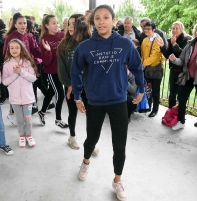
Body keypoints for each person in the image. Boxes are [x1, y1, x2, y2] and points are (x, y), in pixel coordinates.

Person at [71, 5, 145, 200]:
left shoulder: (125, 44)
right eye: (97, 18)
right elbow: (75, 72)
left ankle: (117, 180)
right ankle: (85, 162)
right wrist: (77, 96)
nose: (101, 21)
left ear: (113, 20)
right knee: (91, 139)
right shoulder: (85, 46)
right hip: (95, 101)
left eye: (105, 17)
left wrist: (141, 89)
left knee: (119, 145)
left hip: (119, 101)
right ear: (93, 22)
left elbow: (137, 67)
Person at [3, 12, 44, 125]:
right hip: (14, 68)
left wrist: (46, 53)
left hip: (27, 67)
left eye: (24, 23)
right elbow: (5, 54)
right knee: (15, 90)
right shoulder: (10, 37)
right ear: (15, 25)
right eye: (20, 23)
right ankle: (13, 113)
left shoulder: (29, 36)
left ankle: (28, 113)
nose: (23, 25)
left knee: (28, 90)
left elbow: (36, 50)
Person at [58, 14, 90, 149]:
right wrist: (69, 84)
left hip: (89, 85)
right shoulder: (64, 45)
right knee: (73, 112)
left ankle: (91, 141)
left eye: (73, 24)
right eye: (69, 24)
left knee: (92, 113)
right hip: (71, 85)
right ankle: (72, 136)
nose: (69, 27)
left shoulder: (91, 42)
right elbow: (61, 68)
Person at [3, 39, 37, 148]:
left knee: (28, 118)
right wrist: (16, 74)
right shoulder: (7, 64)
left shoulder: (27, 62)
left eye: (17, 47)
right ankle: (21, 136)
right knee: (19, 119)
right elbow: (5, 81)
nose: (14, 50)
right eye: (11, 48)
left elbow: (33, 78)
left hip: (28, 98)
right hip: (15, 99)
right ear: (8, 49)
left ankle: (29, 135)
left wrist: (21, 72)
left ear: (21, 48)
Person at [38, 15, 68, 128]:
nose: (57, 25)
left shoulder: (62, 35)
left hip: (61, 70)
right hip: (51, 71)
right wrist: (49, 51)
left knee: (51, 91)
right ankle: (58, 120)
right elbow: (45, 61)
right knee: (60, 94)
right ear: (47, 25)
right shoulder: (44, 39)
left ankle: (42, 112)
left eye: (57, 22)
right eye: (53, 23)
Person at [156, 21, 193, 108]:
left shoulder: (187, 40)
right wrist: (162, 46)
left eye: (177, 28)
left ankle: (180, 114)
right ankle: (170, 112)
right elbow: (167, 55)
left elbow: (183, 55)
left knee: (181, 95)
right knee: (172, 93)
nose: (174, 30)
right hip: (173, 70)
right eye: (173, 28)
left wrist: (174, 44)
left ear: (182, 29)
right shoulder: (171, 39)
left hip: (183, 71)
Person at [141, 21, 165, 117]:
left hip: (156, 70)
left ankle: (155, 110)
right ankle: (148, 106)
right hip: (147, 69)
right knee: (148, 89)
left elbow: (155, 56)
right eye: (145, 29)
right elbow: (143, 54)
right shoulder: (145, 40)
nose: (146, 30)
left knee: (155, 91)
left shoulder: (157, 40)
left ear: (153, 30)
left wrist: (143, 64)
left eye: (149, 29)